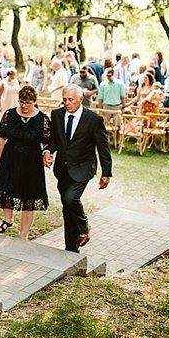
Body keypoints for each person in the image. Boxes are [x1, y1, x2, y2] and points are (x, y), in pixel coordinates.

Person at [46, 84, 113, 255]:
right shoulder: (57, 115)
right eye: (65, 100)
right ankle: (71, 248)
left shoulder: (93, 120)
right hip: (62, 168)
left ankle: (84, 226)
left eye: (70, 100)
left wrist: (106, 173)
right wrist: (47, 151)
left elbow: (103, 148)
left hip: (83, 167)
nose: (67, 103)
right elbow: (54, 140)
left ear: (81, 99)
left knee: (70, 199)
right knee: (67, 207)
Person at [0, 85, 54, 239]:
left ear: (34, 102)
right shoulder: (10, 114)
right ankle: (8, 219)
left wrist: (47, 154)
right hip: (10, 158)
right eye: (21, 102)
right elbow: (1, 137)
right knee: (6, 189)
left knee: (29, 197)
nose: (24, 106)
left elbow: (48, 142)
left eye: (28, 103)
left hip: (31, 162)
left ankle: (24, 234)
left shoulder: (43, 119)